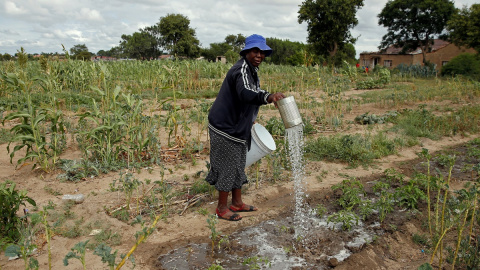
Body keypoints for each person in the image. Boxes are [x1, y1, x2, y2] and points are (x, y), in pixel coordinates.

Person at [206, 34, 285, 221]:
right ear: (246, 52)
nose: (259, 55)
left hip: (238, 125)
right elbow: (246, 93)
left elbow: (249, 95)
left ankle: (237, 203)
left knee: (239, 163)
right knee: (227, 165)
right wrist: (268, 96)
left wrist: (250, 119)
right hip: (225, 126)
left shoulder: (251, 70)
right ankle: (222, 208)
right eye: (255, 51)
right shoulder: (241, 69)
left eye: (262, 52)